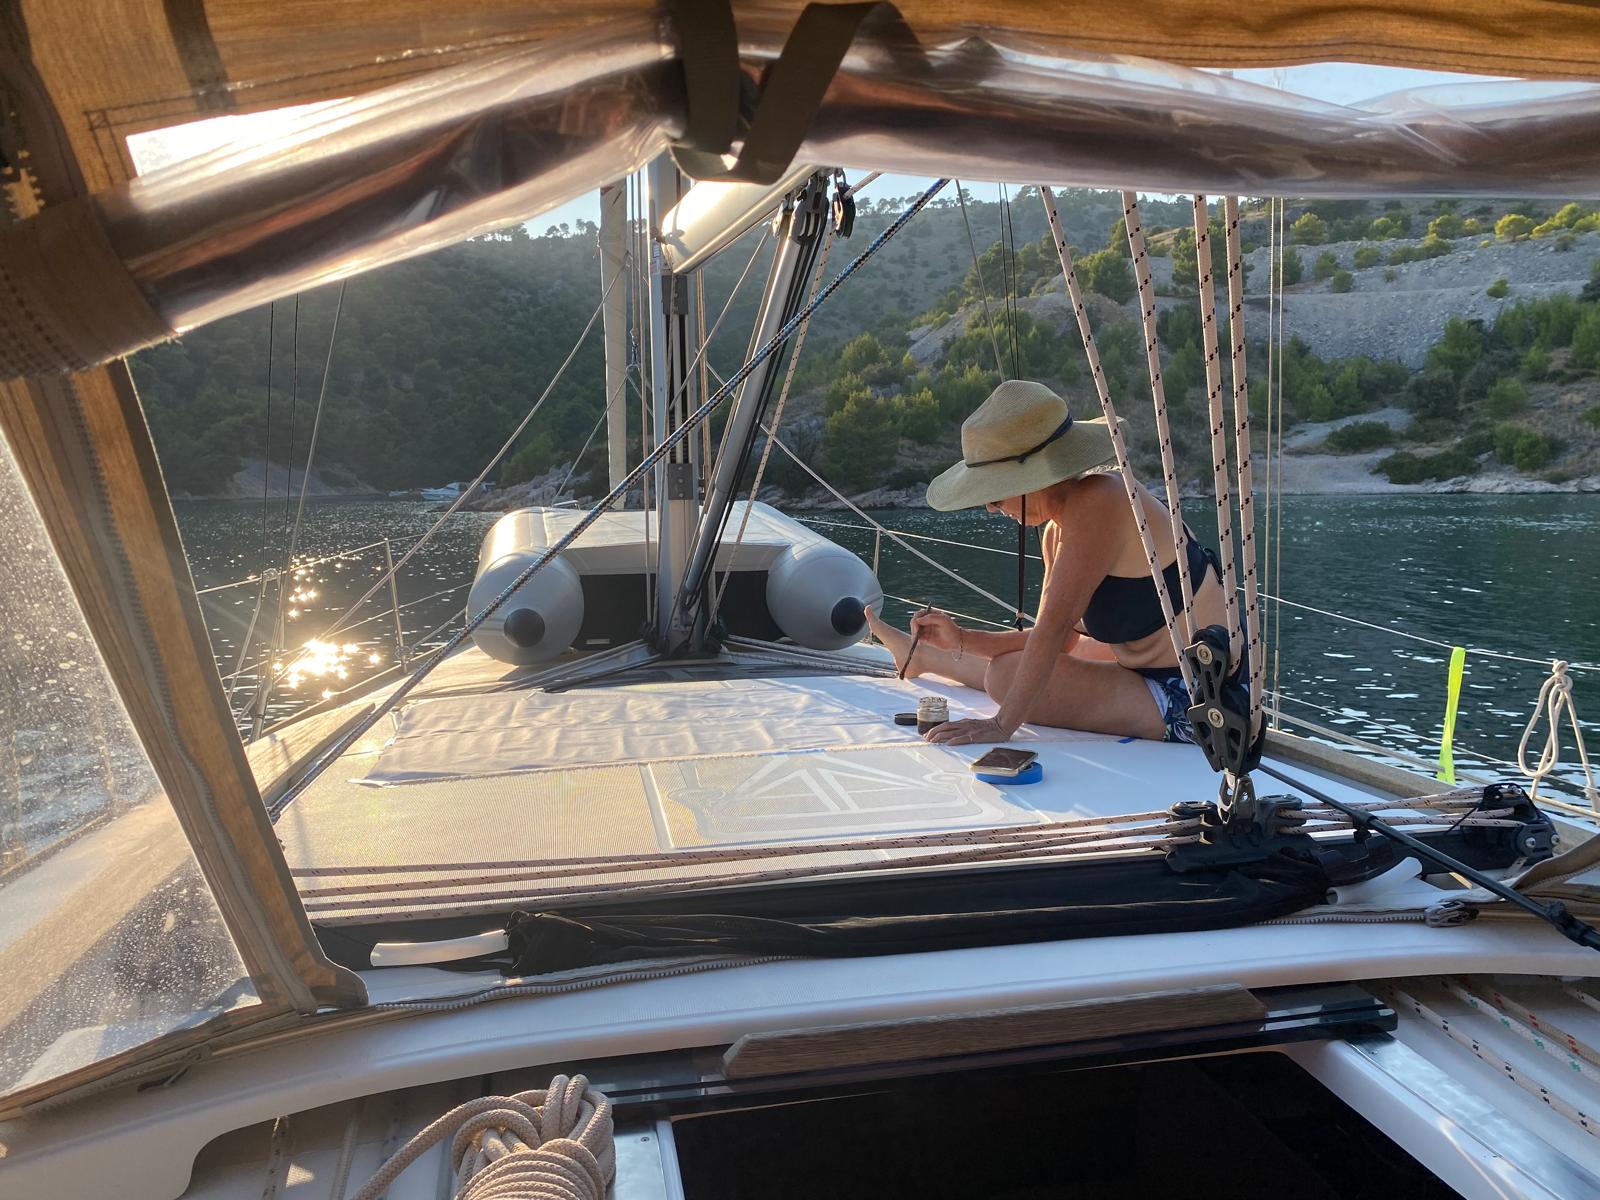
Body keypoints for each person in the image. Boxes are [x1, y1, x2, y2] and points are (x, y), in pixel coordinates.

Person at [864, 379, 1228, 746]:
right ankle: (926, 657)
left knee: (1006, 675)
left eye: (994, 493)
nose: (990, 507)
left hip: (1201, 695)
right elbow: (1059, 640)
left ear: (1031, 479)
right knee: (1031, 660)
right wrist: (962, 639)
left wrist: (1001, 725)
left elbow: (1051, 633)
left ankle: (927, 659)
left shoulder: (1101, 500)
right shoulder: (1057, 530)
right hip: (1144, 674)